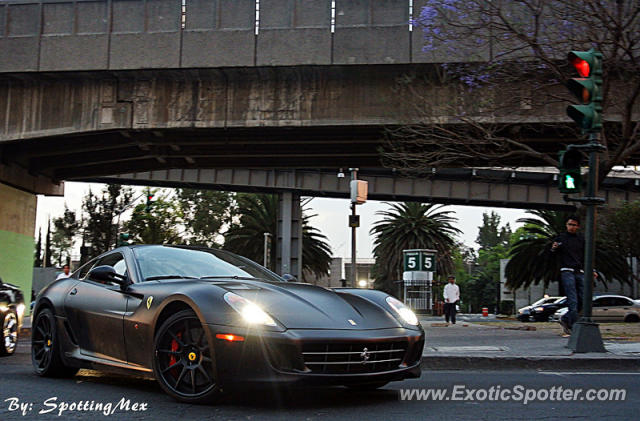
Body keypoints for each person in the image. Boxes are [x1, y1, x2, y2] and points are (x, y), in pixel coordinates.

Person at [550, 215, 587, 336]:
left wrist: (591, 270)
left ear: (578, 226)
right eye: (570, 224)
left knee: (583, 298)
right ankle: (573, 326)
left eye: (574, 225)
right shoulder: (561, 237)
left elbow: (586, 256)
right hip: (567, 271)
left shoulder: (581, 239)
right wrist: (554, 249)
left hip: (579, 271)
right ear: (566, 225)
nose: (571, 227)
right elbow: (552, 252)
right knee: (572, 299)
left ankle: (566, 318)